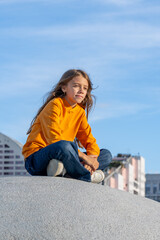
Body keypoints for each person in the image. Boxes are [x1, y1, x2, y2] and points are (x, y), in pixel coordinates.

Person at [22, 69, 112, 183]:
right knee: (64, 146)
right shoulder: (55, 105)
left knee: (106, 154)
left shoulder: (79, 112)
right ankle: (85, 176)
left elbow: (90, 141)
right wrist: (85, 158)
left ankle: (66, 170)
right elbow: (55, 141)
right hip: (36, 159)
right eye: (76, 86)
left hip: (65, 157)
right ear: (64, 88)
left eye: (85, 88)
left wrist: (92, 160)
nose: (81, 91)